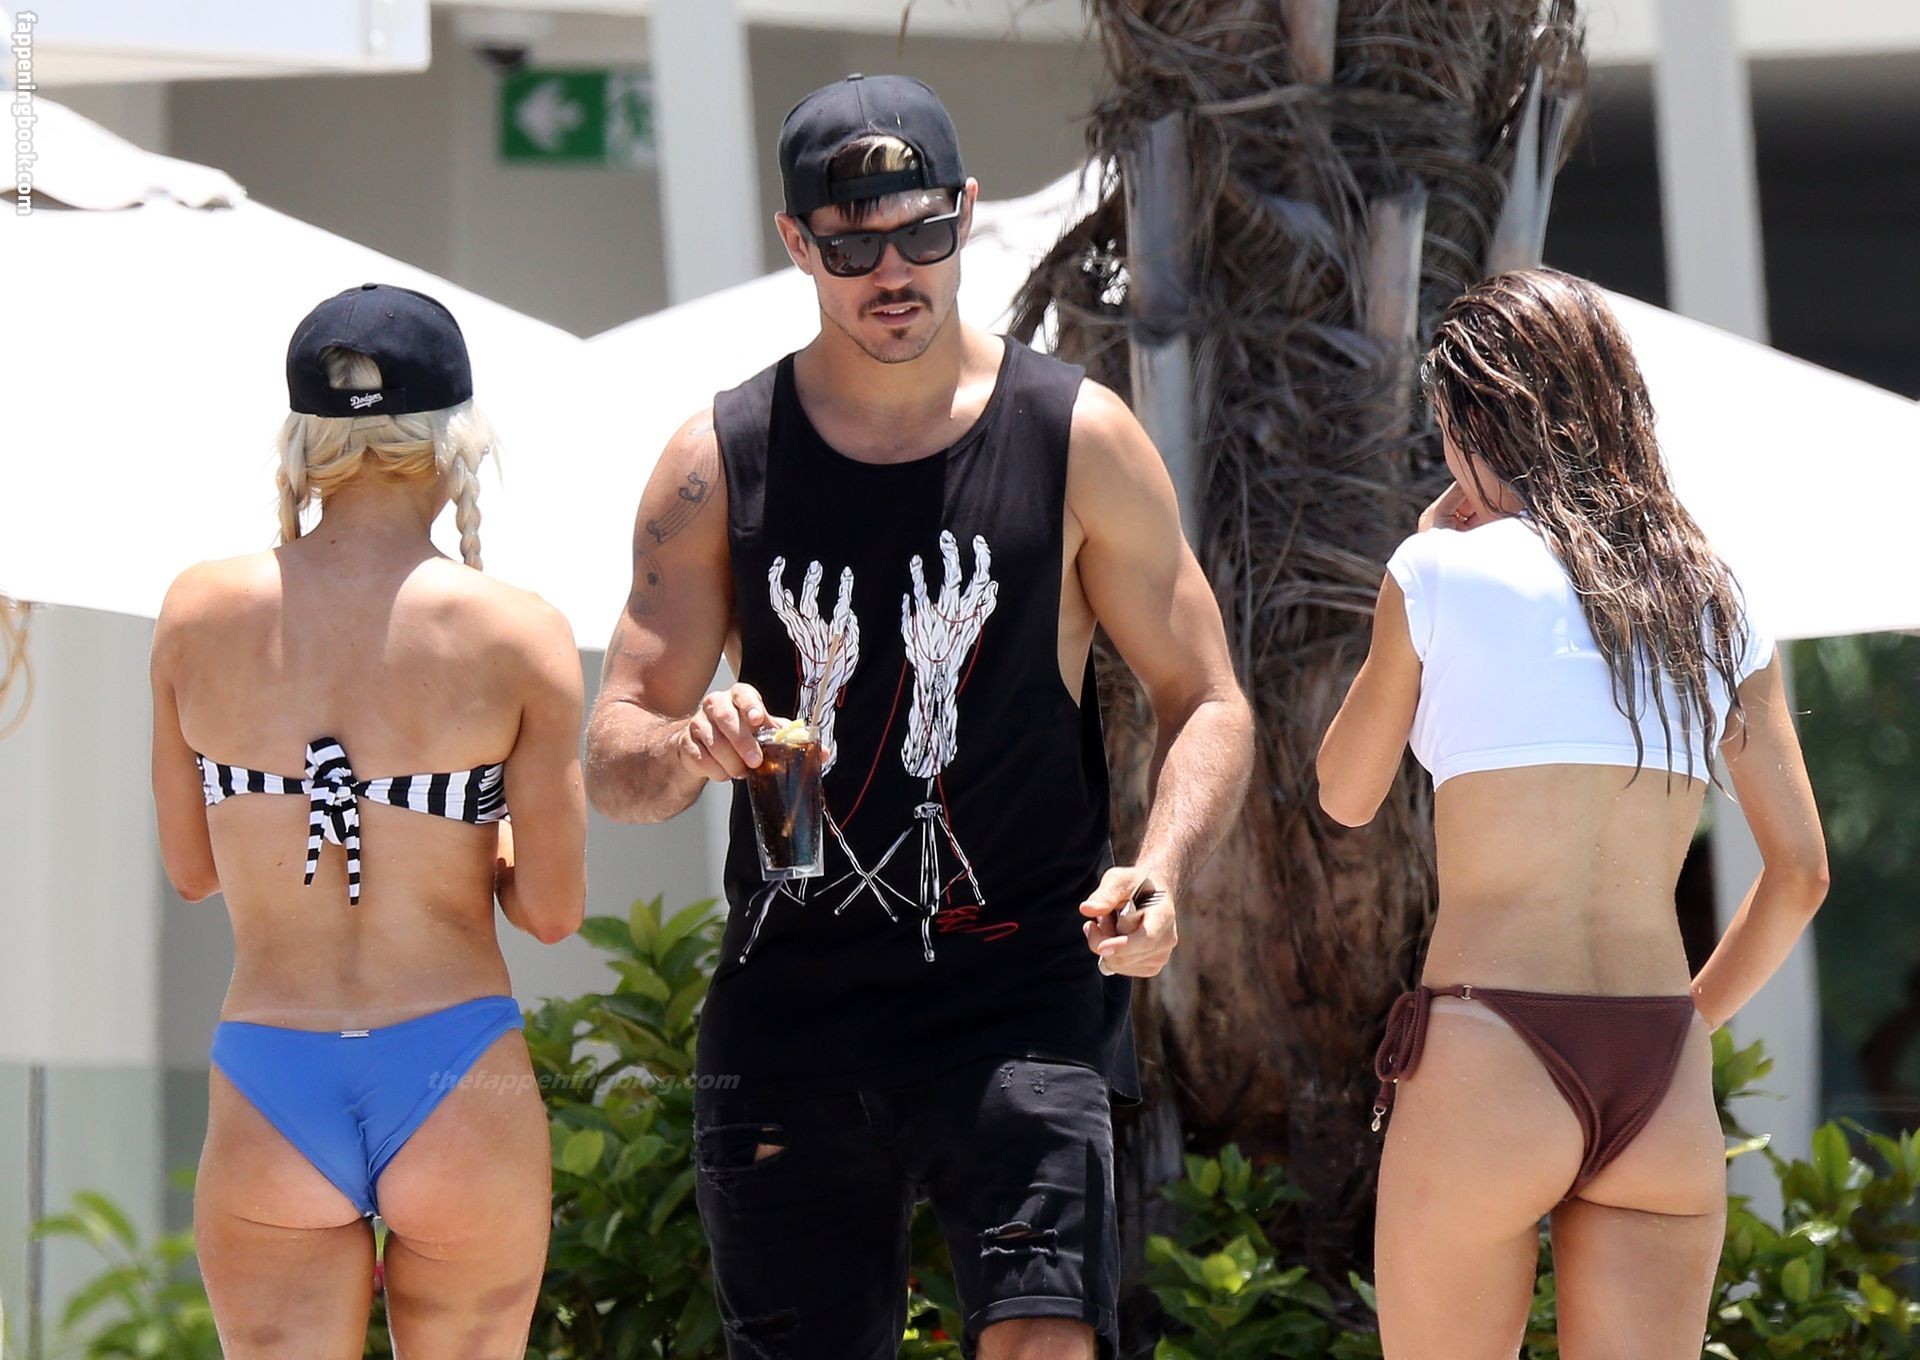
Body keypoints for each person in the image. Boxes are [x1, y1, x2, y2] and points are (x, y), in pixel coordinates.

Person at [584, 75, 1253, 1360]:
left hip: (1024, 992)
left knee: (1047, 1340)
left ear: (966, 215)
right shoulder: (719, 460)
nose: (893, 272)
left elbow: (1208, 696)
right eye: (853, 245)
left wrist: (1163, 870)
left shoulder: (1075, 436)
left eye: (923, 233)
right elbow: (613, 755)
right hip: (790, 1012)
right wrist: (687, 745)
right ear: (798, 244)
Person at [1317, 267, 1828, 1358]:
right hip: (1657, 1064)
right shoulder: (1710, 598)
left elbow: (1345, 793)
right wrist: (1687, 1024)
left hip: (1490, 1046)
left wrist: (1426, 549)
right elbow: (1801, 875)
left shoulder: (1436, 573)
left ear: (1470, 424)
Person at [150, 283, 586, 1358]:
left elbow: (192, 870)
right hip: (456, 1065)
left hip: (272, 1064)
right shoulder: (518, 633)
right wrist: (465, 833)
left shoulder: (197, 613)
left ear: (305, 442)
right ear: (454, 440)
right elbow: (552, 911)